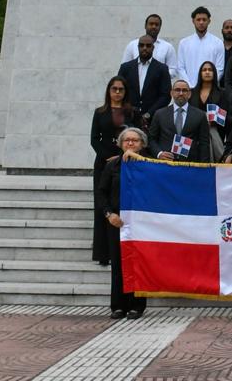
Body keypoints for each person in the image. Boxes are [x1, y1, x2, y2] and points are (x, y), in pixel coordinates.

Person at [95, 127, 149, 320]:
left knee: (138, 264)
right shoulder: (112, 166)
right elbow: (101, 192)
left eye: (135, 140)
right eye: (127, 140)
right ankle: (117, 306)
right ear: (120, 144)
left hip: (140, 224)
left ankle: (136, 306)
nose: (131, 143)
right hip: (117, 223)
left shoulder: (149, 166)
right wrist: (109, 214)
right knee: (118, 264)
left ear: (142, 145)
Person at [90, 76, 130, 266]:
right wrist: (108, 156)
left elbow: (135, 135)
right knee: (103, 205)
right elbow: (94, 138)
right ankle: (103, 253)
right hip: (103, 163)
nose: (117, 92)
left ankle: (122, 251)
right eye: (114, 89)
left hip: (126, 163)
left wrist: (122, 154)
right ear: (109, 91)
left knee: (121, 205)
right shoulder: (100, 112)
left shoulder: (131, 112)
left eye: (121, 89)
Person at [148, 79, 213, 162]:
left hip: (190, 165)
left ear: (189, 94)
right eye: (177, 90)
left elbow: (204, 143)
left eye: (184, 90)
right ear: (171, 93)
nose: (181, 93)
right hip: (165, 163)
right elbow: (151, 138)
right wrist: (159, 153)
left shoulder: (200, 115)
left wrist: (203, 167)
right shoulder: (159, 114)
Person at [117, 35, 172, 127]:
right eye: (141, 45)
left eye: (148, 46)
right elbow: (119, 90)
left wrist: (149, 114)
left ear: (153, 47)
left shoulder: (162, 69)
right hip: (128, 118)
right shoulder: (126, 67)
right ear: (138, 47)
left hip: (153, 120)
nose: (144, 48)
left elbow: (165, 96)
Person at [175, 6, 226, 88]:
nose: (201, 22)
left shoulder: (218, 43)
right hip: (189, 89)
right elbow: (180, 68)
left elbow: (219, 69)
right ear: (193, 21)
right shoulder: (184, 43)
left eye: (204, 19)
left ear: (209, 21)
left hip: (211, 89)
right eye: (198, 20)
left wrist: (208, 85)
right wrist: (189, 86)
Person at [188, 61, 231, 156]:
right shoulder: (191, 93)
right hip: (194, 135)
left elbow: (226, 116)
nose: (207, 72)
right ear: (200, 73)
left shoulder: (223, 93)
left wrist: (213, 120)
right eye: (204, 70)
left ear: (214, 73)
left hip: (215, 133)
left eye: (210, 70)